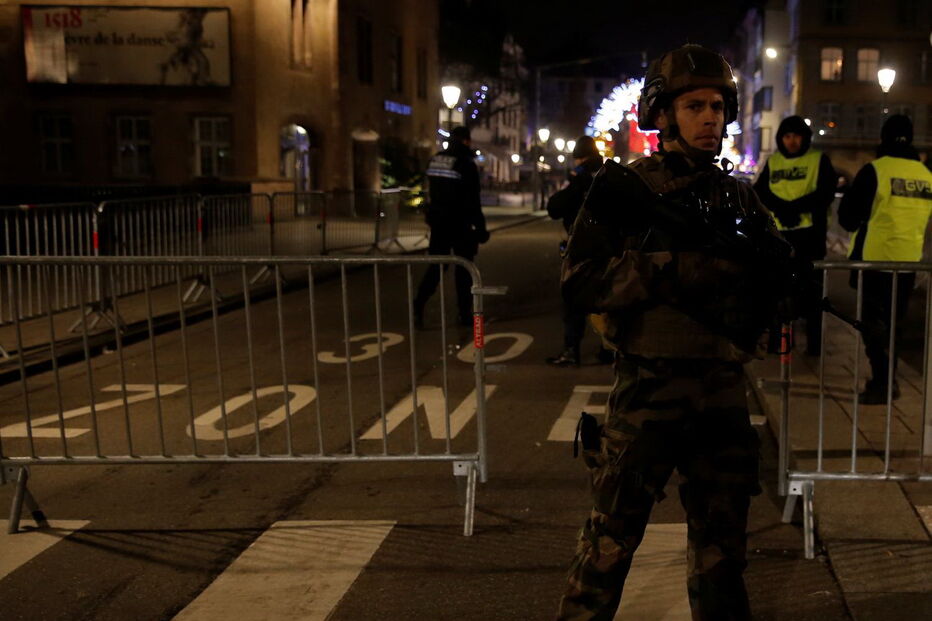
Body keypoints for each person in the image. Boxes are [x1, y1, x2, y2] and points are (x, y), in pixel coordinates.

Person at [556, 44, 790, 620]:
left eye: (717, 105)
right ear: (662, 115)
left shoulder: (736, 195)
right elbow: (579, 280)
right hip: (649, 387)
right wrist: (672, 269)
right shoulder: (627, 191)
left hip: (721, 389)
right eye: (694, 106)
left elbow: (772, 272)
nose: (711, 117)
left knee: (722, 551)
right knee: (609, 543)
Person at [838, 114, 932, 404]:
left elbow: (848, 219)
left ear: (884, 137)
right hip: (908, 263)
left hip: (875, 261)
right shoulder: (925, 175)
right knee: (895, 324)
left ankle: (882, 382)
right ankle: (888, 379)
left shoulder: (875, 170)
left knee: (872, 325)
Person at [754, 115, 837, 355]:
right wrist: (783, 209)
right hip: (779, 237)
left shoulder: (818, 160)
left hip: (809, 236)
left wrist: (793, 208)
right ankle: (776, 344)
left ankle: (813, 347)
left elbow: (825, 192)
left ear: (805, 138)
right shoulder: (774, 162)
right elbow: (760, 192)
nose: (791, 141)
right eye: (787, 136)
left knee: (811, 294)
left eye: (796, 136)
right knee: (776, 292)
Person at [414, 126, 489, 327]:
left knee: (436, 267)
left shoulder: (436, 159)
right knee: (464, 270)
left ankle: (418, 303)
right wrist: (481, 229)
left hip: (439, 224)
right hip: (460, 224)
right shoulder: (466, 164)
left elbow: (431, 191)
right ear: (466, 141)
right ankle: (464, 314)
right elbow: (473, 201)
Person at [545, 136, 608, 366]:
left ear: (580, 158)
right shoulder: (609, 175)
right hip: (609, 249)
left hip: (581, 249)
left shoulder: (581, 179)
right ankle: (607, 349)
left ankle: (571, 350)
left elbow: (555, 208)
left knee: (574, 300)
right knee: (606, 300)